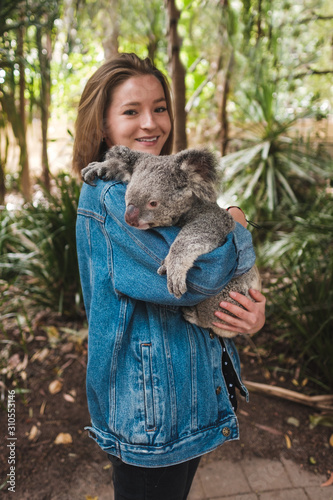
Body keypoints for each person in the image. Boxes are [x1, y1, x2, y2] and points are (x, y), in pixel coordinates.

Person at [73, 53, 265, 500]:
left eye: (159, 107)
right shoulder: (111, 200)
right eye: (130, 111)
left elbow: (223, 279)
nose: (150, 123)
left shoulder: (166, 176)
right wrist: (235, 222)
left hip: (188, 394)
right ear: (102, 125)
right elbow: (199, 281)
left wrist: (246, 313)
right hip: (149, 410)